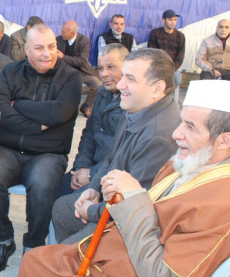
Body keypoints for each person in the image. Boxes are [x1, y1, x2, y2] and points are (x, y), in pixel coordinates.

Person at [9, 79, 230, 277]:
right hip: (122, 262)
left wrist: (133, 197)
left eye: (190, 127)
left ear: (225, 140)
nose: (176, 134)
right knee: (34, 264)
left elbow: (159, 274)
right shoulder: (190, 161)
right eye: (181, 122)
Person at [0, 24, 82, 273]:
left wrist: (19, 105)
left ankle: (34, 245)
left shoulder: (71, 76)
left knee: (42, 184)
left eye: (52, 47)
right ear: (26, 49)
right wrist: (39, 125)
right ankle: (3, 240)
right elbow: (0, 111)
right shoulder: (10, 71)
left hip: (49, 153)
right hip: (8, 148)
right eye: (39, 48)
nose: (47, 53)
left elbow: (59, 113)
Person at [52, 48, 181, 244]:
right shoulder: (136, 108)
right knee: (62, 208)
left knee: (55, 256)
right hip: (110, 203)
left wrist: (91, 211)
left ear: (157, 88)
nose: (120, 85)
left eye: (130, 79)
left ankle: (75, 259)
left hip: (126, 229)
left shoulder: (157, 138)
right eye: (123, 76)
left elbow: (133, 205)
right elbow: (112, 158)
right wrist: (94, 189)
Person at [56, 44, 128, 198]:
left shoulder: (132, 100)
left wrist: (91, 174)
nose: (104, 74)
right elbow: (89, 133)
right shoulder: (102, 92)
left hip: (112, 176)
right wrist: (81, 166)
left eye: (111, 67)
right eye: (100, 68)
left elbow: (124, 154)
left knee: (68, 204)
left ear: (127, 66)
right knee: (57, 188)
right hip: (90, 167)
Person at [56, 20, 100, 117]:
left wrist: (63, 57)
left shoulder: (84, 41)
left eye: (64, 32)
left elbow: (82, 61)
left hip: (81, 71)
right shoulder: (58, 40)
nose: (61, 33)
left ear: (72, 33)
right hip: (64, 71)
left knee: (97, 85)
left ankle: (86, 106)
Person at [148, 9, 185, 99]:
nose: (173, 22)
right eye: (170, 19)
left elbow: (180, 56)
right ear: (164, 20)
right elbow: (152, 53)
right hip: (158, 66)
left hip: (172, 67)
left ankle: (165, 97)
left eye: (175, 20)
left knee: (177, 78)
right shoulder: (155, 33)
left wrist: (171, 68)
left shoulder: (180, 36)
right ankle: (157, 97)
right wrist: (160, 67)